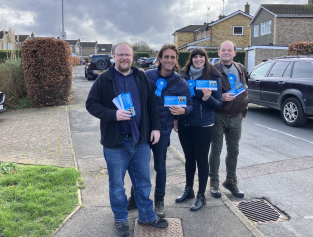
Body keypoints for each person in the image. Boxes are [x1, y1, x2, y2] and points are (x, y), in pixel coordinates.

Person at [86, 42, 168, 237]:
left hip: (140, 141)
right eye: (120, 54)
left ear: (133, 57)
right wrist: (113, 115)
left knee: (143, 183)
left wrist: (155, 127)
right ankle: (121, 219)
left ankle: (147, 216)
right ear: (114, 56)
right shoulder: (104, 79)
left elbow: (151, 104)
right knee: (117, 186)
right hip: (116, 143)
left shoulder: (140, 76)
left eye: (127, 55)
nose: (124, 58)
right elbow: (91, 104)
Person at [126, 44, 193, 218]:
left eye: (172, 57)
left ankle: (160, 200)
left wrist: (183, 112)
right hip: (142, 130)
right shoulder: (146, 76)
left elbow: (191, 105)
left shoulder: (181, 82)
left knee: (160, 167)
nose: (169, 60)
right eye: (166, 57)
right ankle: (135, 197)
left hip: (163, 131)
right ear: (160, 59)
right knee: (139, 167)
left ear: (176, 60)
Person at [174, 47, 222, 211]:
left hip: (203, 124)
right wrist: (175, 118)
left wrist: (208, 98)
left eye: (201, 56)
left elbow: (218, 104)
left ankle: (201, 195)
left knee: (201, 160)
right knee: (189, 158)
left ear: (205, 58)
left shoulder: (214, 75)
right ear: (191, 58)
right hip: (184, 122)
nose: (198, 59)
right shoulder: (182, 74)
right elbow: (177, 97)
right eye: (195, 56)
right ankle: (189, 190)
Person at [209, 40, 248, 199]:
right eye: (223, 50)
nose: (226, 52)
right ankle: (214, 182)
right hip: (219, 115)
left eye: (229, 50)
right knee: (216, 150)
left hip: (237, 116)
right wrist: (220, 96)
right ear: (218, 53)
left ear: (234, 52)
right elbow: (203, 92)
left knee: (234, 150)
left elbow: (245, 88)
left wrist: (244, 110)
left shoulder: (240, 68)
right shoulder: (211, 70)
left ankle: (231, 181)